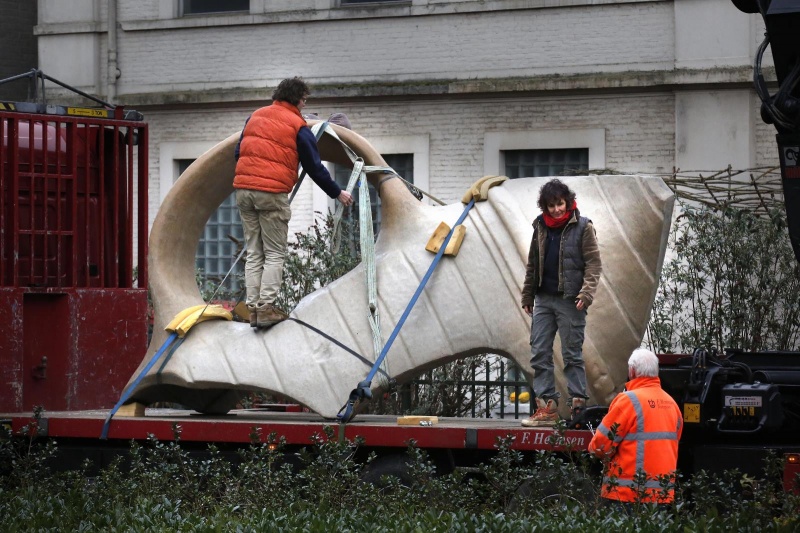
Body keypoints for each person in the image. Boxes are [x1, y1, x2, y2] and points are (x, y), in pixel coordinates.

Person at [234, 77, 353, 329]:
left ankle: (253, 308)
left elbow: (239, 152)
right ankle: (265, 308)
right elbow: (314, 166)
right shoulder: (297, 125)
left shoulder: (255, 116)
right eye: (304, 100)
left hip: (244, 191)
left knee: (254, 252)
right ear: (299, 99)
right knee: (275, 252)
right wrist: (337, 193)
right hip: (272, 193)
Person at [520, 178, 601, 426]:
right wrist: (527, 294)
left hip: (570, 300)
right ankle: (547, 409)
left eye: (560, 204)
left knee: (572, 354)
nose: (557, 209)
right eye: (551, 205)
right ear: (545, 207)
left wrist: (586, 294)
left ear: (568, 202)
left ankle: (578, 407)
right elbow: (533, 263)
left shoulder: (583, 226)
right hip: (543, 299)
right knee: (539, 353)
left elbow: (594, 264)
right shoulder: (540, 227)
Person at [588, 348, 683, 507]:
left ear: (632, 371)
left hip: (628, 495)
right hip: (663, 495)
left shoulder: (628, 401)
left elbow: (600, 446)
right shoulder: (671, 404)